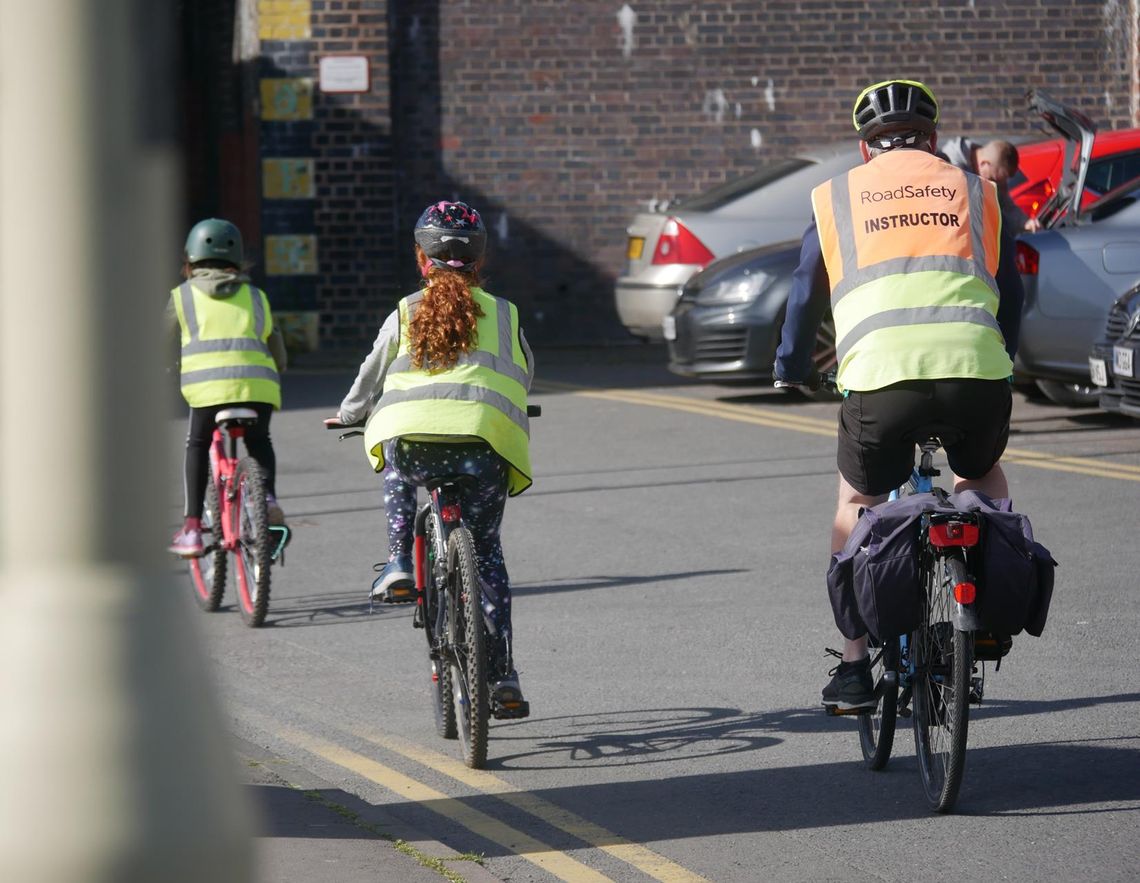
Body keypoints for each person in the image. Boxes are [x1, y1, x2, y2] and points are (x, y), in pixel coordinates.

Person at [772, 80, 1025, 712]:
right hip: (976, 370)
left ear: (866, 149)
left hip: (882, 381)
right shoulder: (977, 190)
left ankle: (855, 668)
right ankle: (985, 607)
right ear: (934, 141)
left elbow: (804, 292)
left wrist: (788, 366)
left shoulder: (835, 197)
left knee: (857, 499)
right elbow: (1011, 290)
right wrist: (1001, 361)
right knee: (980, 473)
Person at [326, 200, 535, 713]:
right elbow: (524, 372)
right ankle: (503, 674)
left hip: (414, 443)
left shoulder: (405, 310)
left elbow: (370, 375)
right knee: (487, 553)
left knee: (397, 469)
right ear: (480, 260)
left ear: (423, 260)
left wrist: (351, 414)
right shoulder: (505, 313)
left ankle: (399, 559)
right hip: (486, 444)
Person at [167, 218, 287, 557]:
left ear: (189, 261)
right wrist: (280, 365)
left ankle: (191, 528)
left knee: (197, 442)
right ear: (239, 262)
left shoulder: (182, 297)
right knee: (260, 440)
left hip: (207, 390)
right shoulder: (256, 296)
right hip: (258, 387)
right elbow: (276, 344)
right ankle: (267, 500)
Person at [938, 135, 1042, 232]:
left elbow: (1006, 205)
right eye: (993, 178)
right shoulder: (948, 166)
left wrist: (1025, 223)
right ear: (984, 164)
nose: (994, 184)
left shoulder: (994, 173)